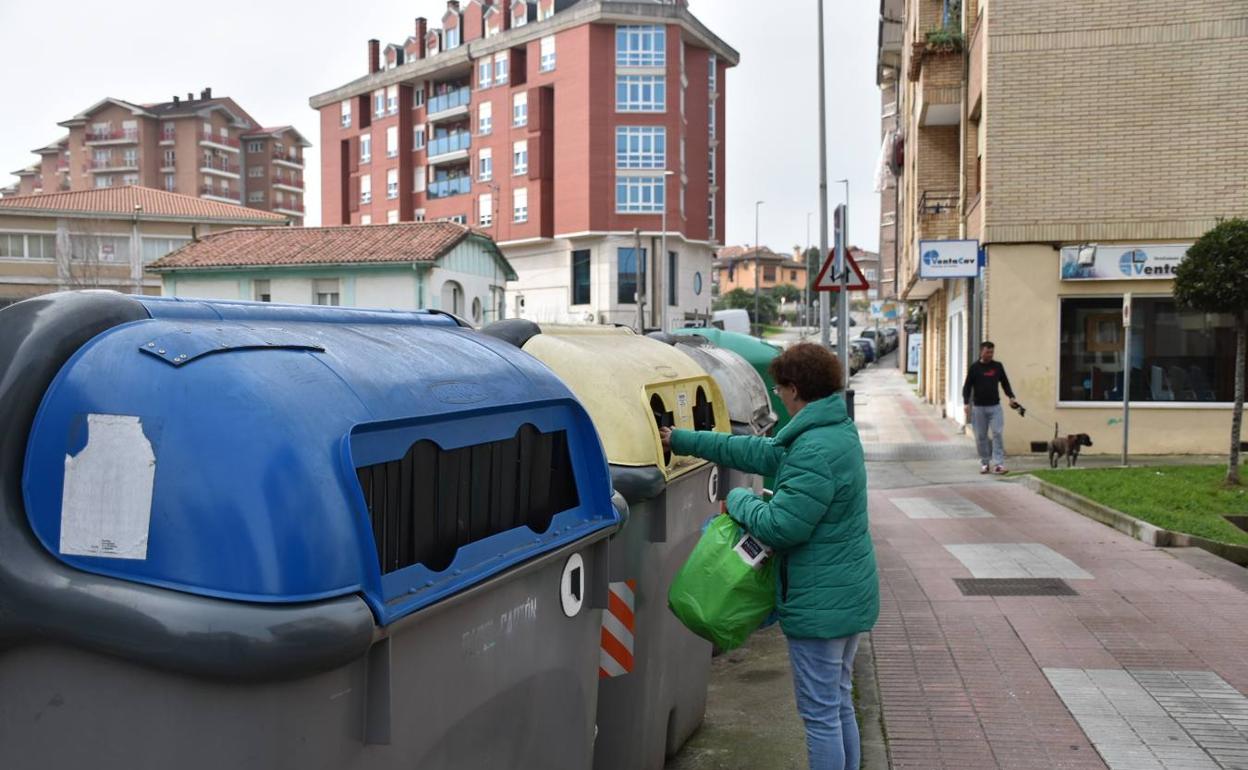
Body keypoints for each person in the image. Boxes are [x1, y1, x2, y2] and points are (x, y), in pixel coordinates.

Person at [660, 343, 878, 770]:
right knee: (837, 704)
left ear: (796, 389)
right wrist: (682, 439)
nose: (779, 397)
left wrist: (739, 499)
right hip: (847, 594)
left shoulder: (812, 449)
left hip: (821, 604)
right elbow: (759, 452)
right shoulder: (832, 431)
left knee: (820, 716)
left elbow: (783, 526)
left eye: (780, 390)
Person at [962, 341, 1018, 474]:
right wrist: (966, 403)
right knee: (981, 436)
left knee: (997, 433)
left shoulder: (997, 366)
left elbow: (1005, 383)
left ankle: (998, 464)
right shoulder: (974, 368)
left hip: (995, 407)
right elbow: (967, 386)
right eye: (988, 352)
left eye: (992, 352)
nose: (990, 354)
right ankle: (985, 462)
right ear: (981, 352)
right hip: (979, 408)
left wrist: (1011, 396)